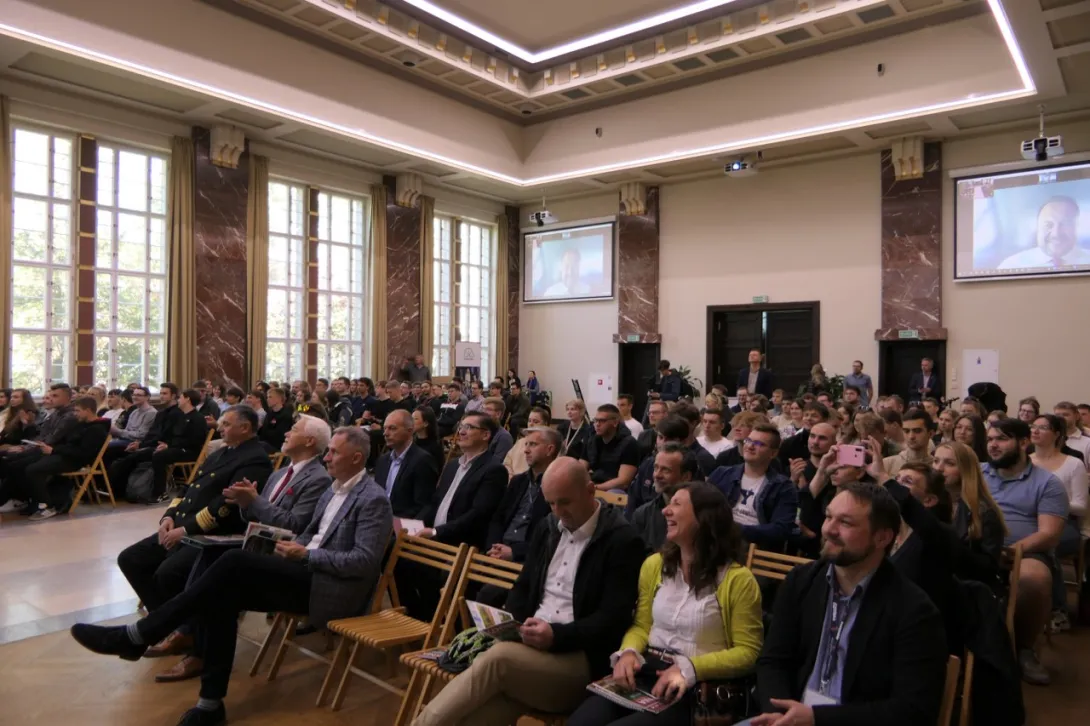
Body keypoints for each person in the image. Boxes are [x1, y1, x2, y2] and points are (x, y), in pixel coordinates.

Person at [71, 427, 392, 726]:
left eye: (334, 452)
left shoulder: (372, 499)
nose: (327, 457)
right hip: (304, 571)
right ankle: (209, 704)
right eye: (328, 450)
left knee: (233, 561)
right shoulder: (333, 489)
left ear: (356, 458)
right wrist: (288, 546)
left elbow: (364, 563)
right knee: (222, 592)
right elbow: (308, 533)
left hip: (331, 588)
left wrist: (306, 554)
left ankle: (139, 634)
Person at [410, 458, 645, 726]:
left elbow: (613, 620)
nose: (558, 511)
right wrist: (511, 624)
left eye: (565, 502)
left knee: (497, 659)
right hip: (531, 653)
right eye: (551, 503)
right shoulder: (548, 527)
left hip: (580, 661)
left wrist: (555, 635)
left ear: (590, 491)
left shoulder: (622, 540)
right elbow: (524, 586)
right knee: (472, 717)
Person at [748, 482, 947, 726]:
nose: (828, 529)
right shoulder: (801, 581)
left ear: (882, 537)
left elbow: (913, 710)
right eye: (828, 517)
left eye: (845, 522)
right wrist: (780, 714)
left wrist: (816, 719)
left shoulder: (914, 610)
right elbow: (773, 661)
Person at [569, 481, 764, 726]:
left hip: (698, 685)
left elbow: (748, 652)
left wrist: (690, 668)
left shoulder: (738, 580)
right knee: (581, 721)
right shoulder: (654, 565)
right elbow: (642, 626)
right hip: (647, 671)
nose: (665, 510)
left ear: (704, 518)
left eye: (677, 504)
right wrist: (628, 653)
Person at [115, 406, 274, 616]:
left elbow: (226, 506)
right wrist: (169, 516)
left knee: (168, 574)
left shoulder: (255, 459)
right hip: (184, 524)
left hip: (212, 534)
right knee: (130, 559)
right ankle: (164, 619)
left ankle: (176, 622)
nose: (220, 428)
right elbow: (189, 487)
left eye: (226, 424)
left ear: (244, 428)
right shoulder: (221, 452)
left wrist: (185, 530)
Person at [981, 418, 1067, 685]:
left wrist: (1010, 551)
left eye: (1001, 439)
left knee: (1034, 579)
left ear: (1023, 442)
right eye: (990, 439)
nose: (993, 445)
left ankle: (1024, 649)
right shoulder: (978, 472)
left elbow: (1049, 534)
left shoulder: (1047, 483)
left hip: (1025, 551)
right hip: (979, 546)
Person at [1029, 413, 1087, 632]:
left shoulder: (1073, 464)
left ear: (1057, 434)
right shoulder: (1025, 461)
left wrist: (1049, 502)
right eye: (1033, 426)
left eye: (1043, 427)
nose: (1035, 430)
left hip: (1065, 522)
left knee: (1045, 545)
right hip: (1030, 519)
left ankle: (1058, 610)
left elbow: (1081, 506)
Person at [17, 396, 110, 520]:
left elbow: (83, 453)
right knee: (23, 463)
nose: (75, 414)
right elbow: (67, 442)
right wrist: (51, 448)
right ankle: (32, 502)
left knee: (33, 470)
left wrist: (54, 450)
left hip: (74, 461)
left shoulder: (97, 429)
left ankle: (47, 506)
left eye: (77, 411)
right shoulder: (81, 424)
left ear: (88, 410)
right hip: (63, 454)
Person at [709, 423, 797, 552]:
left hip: (754, 548)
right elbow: (702, 506)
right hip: (717, 541)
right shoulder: (722, 473)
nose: (750, 446)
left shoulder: (783, 487)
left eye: (759, 444)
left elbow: (781, 529)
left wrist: (736, 529)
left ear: (773, 453)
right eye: (748, 440)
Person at [931, 441, 1007, 584]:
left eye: (949, 463)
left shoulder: (985, 512)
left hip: (968, 586)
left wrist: (952, 546)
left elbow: (988, 569)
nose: (938, 468)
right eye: (935, 461)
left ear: (965, 470)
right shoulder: (929, 503)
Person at [485, 427, 563, 564]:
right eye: (526, 444)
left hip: (529, 559)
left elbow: (553, 535)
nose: (526, 450)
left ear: (549, 450)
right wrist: (493, 546)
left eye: (533, 444)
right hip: (498, 551)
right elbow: (498, 518)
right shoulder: (518, 481)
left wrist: (515, 552)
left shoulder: (560, 486)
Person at [630, 443, 700, 551]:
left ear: (686, 476)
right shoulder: (642, 515)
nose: (657, 475)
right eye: (656, 468)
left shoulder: (702, 515)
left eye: (665, 470)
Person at [375, 409, 439, 519]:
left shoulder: (422, 461)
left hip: (403, 523)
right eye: (385, 428)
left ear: (409, 431)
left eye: (392, 428)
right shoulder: (383, 460)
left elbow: (424, 506)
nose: (385, 433)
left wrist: (396, 522)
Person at [998, 196, 1090, 269]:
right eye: (1048, 225)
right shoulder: (1011, 266)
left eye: (1065, 224)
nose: (1056, 234)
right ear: (1037, 228)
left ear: (1077, 227)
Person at [582, 404, 641, 493]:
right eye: (595, 420)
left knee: (614, 491)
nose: (597, 424)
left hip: (615, 490)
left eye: (602, 421)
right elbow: (580, 467)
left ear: (615, 422)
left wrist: (595, 487)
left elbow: (624, 481)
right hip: (593, 484)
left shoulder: (629, 443)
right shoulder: (592, 440)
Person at [882, 408, 934, 476]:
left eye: (917, 431)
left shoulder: (936, 466)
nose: (911, 436)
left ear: (930, 434)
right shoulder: (888, 463)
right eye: (906, 431)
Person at [503, 407, 550, 478]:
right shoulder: (520, 442)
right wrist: (510, 476)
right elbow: (507, 462)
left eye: (535, 422)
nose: (531, 424)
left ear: (545, 424)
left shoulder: (547, 445)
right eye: (529, 421)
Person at [257, 386, 292, 453]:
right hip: (265, 445)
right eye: (267, 397)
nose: (267, 399)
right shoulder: (270, 413)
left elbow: (279, 436)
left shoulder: (286, 415)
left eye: (270, 397)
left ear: (279, 399)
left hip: (276, 448)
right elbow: (264, 431)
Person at [1054, 400, 1090, 466]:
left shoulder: (1088, 442)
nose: (1061, 418)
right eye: (1057, 415)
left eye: (1065, 415)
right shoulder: (1049, 439)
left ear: (1077, 416)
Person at [412, 405, 445, 472]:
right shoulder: (410, 442)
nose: (411, 422)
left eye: (415, 419)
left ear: (425, 423)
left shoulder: (435, 446)